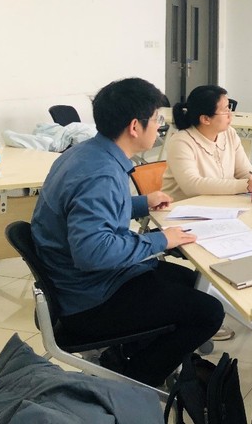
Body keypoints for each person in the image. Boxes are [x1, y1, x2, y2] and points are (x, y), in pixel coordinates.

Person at [31, 78, 225, 388]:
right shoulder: (102, 174)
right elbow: (94, 253)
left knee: (189, 281)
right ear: (135, 126)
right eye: (157, 119)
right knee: (209, 312)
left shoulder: (87, 153)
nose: (160, 126)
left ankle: (130, 353)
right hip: (88, 300)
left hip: (79, 282)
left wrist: (141, 203)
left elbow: (86, 209)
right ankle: (133, 384)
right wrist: (161, 239)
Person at [162, 85, 252, 202]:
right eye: (225, 110)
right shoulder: (181, 141)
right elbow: (191, 185)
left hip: (219, 205)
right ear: (205, 119)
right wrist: (246, 185)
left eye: (229, 108)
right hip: (183, 208)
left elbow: (243, 171)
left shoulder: (229, 133)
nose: (230, 114)